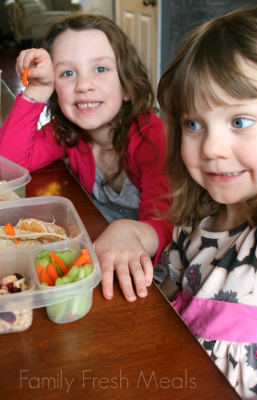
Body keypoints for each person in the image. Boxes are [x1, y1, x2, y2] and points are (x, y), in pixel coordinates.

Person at [157, 2, 257, 399]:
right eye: (193, 124)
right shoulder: (194, 223)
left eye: (239, 121)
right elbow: (167, 298)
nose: (211, 147)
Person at [0, 13, 173, 302]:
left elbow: (166, 222)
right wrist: (36, 91)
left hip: (157, 264)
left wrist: (125, 230)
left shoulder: (153, 140)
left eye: (101, 68)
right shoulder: (69, 131)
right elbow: (9, 164)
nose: (83, 85)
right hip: (100, 248)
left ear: (128, 85)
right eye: (67, 73)